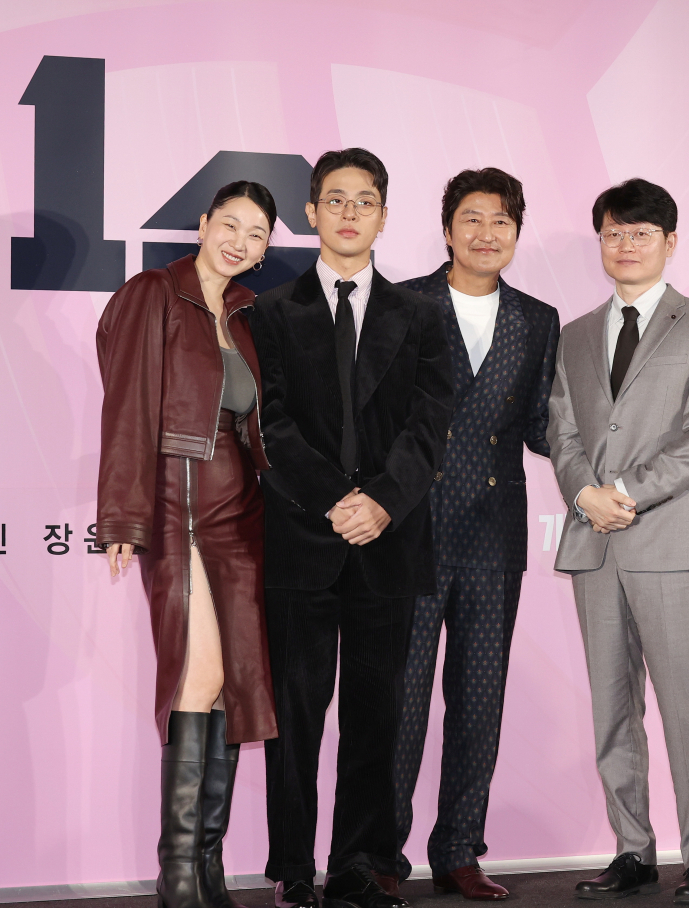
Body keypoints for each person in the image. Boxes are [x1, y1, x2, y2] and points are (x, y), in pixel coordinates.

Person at [250, 148, 453, 908]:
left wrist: (382, 503)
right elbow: (269, 423)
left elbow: (431, 423)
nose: (347, 213)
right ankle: (295, 871)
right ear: (311, 212)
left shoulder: (420, 316)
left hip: (387, 545)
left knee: (377, 715)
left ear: (384, 216)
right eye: (334, 200)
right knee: (295, 718)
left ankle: (358, 864)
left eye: (363, 201)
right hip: (302, 541)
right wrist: (339, 499)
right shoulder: (271, 311)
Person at [548, 179, 689, 905]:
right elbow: (561, 431)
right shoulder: (574, 334)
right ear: (600, 242)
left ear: (669, 242)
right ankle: (633, 849)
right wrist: (583, 492)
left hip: (667, 537)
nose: (625, 246)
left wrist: (624, 494)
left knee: (686, 704)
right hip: (595, 540)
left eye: (640, 233)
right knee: (611, 707)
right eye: (613, 233)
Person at [96, 181, 279, 908]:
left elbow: (249, 425)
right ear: (202, 225)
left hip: (240, 514)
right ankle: (179, 879)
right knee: (195, 680)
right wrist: (121, 515)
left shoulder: (244, 315)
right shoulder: (154, 292)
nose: (240, 240)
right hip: (179, 505)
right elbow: (129, 402)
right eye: (229, 223)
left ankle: (206, 869)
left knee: (230, 689)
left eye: (257, 232)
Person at [390, 168, 559, 901]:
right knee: (398, 702)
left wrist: (615, 450)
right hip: (411, 531)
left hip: (495, 532)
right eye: (472, 218)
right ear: (447, 227)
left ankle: (459, 849)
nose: (487, 233)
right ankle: (377, 854)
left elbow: (544, 429)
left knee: (479, 700)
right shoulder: (402, 305)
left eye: (502, 221)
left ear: (517, 233)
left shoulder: (538, 318)